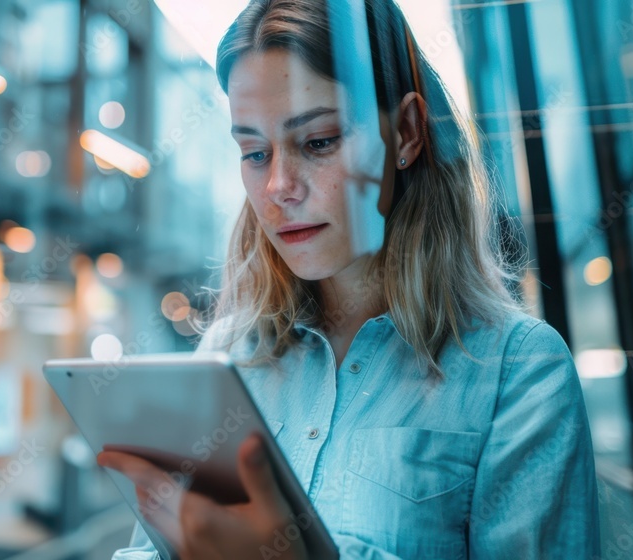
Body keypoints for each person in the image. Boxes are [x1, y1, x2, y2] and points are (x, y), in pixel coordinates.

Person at [99, 0, 600, 558]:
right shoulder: (230, 356)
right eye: (255, 152)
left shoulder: (518, 370)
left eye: (318, 142)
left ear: (406, 133)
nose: (279, 187)